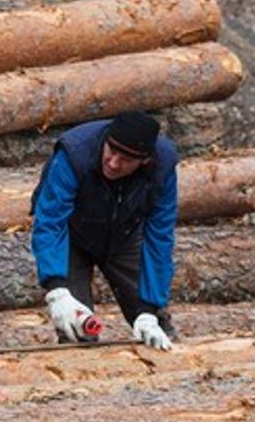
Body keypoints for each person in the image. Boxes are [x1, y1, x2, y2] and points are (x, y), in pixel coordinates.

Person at [30, 111, 178, 350]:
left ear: (145, 161)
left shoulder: (162, 167)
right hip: (72, 238)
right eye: (111, 151)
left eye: (126, 160)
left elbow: (160, 237)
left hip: (125, 236)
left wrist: (149, 307)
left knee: (157, 327)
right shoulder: (75, 152)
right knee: (77, 329)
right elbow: (50, 220)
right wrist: (56, 289)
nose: (113, 163)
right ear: (106, 141)